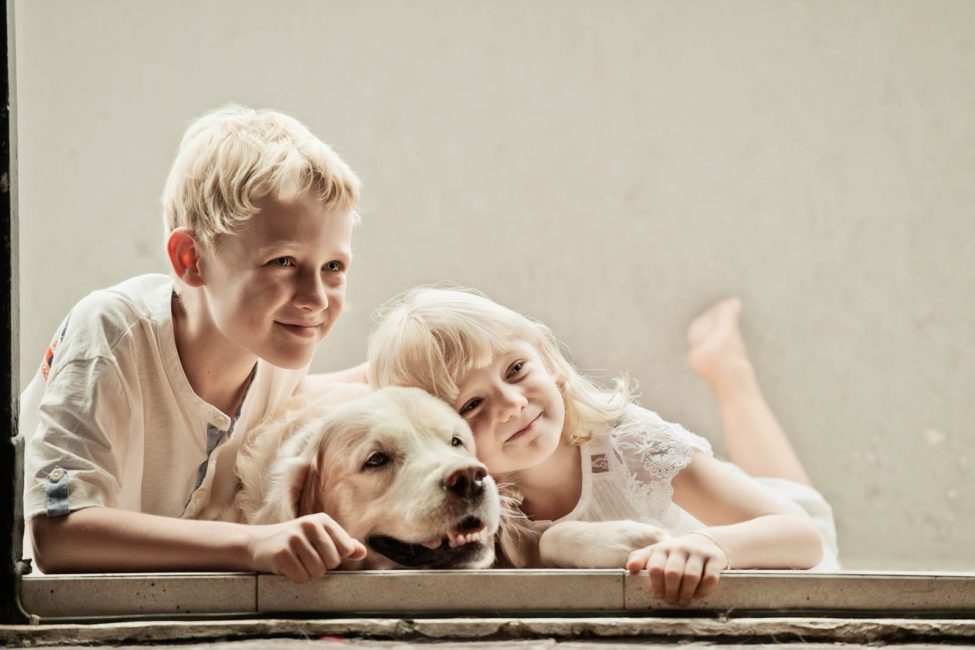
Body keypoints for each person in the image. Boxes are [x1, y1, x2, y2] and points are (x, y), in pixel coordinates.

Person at [20, 105, 368, 580]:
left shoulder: (276, 348)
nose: (314, 299)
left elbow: (337, 392)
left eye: (334, 267)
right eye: (283, 262)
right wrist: (252, 544)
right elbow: (58, 536)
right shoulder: (110, 334)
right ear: (192, 259)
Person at [368, 286, 839, 605]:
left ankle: (728, 370)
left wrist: (709, 544)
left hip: (757, 535)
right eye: (472, 403)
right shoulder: (471, 502)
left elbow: (801, 537)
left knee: (793, 494)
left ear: (548, 360)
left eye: (515, 369)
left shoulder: (631, 444)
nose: (512, 404)